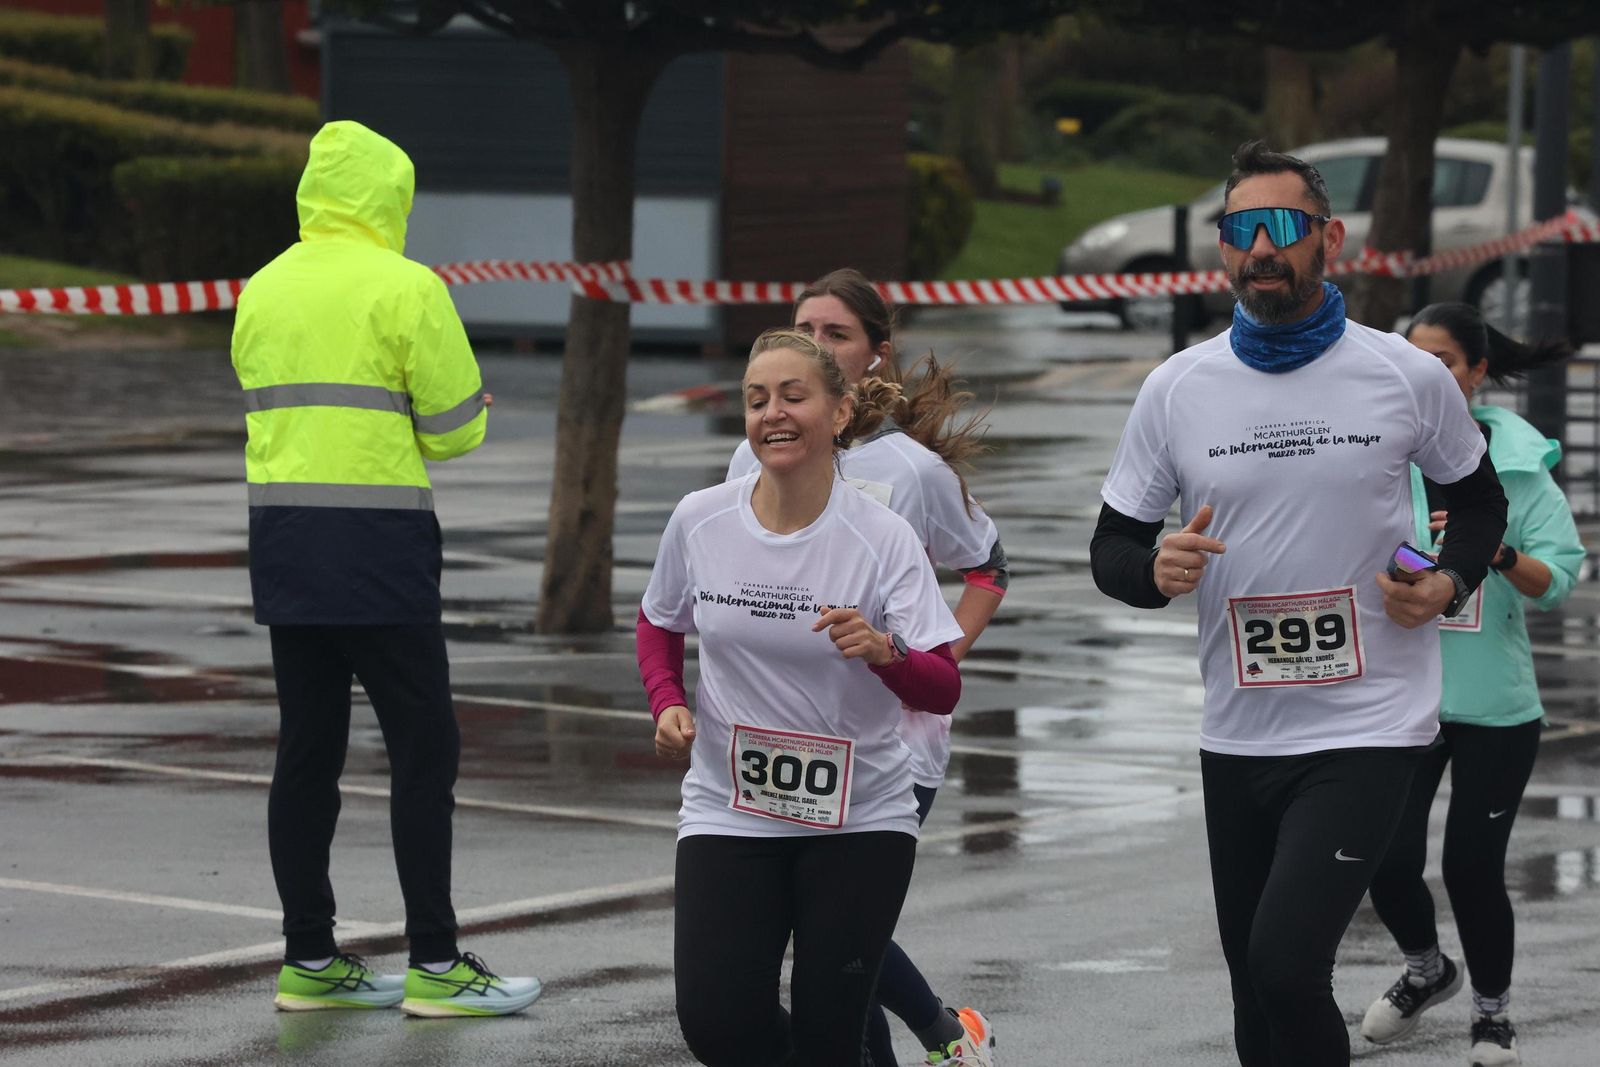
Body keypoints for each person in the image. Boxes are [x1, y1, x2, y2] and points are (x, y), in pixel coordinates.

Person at [1088, 141, 1508, 1067]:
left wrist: (1447, 580)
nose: (1261, 248)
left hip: (1369, 722)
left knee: (1286, 965)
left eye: (1283, 227)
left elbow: (1478, 502)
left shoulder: (1404, 373)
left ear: (1331, 240)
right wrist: (1153, 568)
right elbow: (1110, 547)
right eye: (1242, 230)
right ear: (1224, 249)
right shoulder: (1177, 388)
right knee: (1255, 1005)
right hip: (1238, 733)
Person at [233, 120, 539, 1017]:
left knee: (307, 749)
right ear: (388, 198)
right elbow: (452, 430)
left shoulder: (261, 288)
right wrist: (464, 407)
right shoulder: (409, 288)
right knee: (423, 748)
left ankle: (309, 958)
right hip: (379, 547)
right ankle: (437, 963)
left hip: (286, 541)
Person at [638, 328, 968, 1065]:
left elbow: (943, 685)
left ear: (841, 411)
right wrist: (667, 700)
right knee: (718, 1022)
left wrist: (886, 651)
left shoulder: (882, 538)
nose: (772, 414)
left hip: (859, 820)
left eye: (793, 396)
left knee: (830, 1033)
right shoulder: (701, 518)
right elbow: (659, 619)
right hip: (731, 807)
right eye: (757, 400)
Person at [725, 269, 1005, 1066]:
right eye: (803, 329)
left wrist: (930, 657)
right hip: (787, 738)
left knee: (835, 931)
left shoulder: (909, 469)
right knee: (829, 936)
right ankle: (947, 1034)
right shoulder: (745, 461)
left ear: (876, 356)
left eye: (836, 334)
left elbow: (989, 567)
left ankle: (945, 1036)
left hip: (891, 739)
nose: (816, 346)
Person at [1359, 303, 1582, 1067]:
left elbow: (1560, 581)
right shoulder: (1377, 453)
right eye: (1411, 359)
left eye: (1445, 361)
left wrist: (1494, 554)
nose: (1426, 376)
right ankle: (1428, 971)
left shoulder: (1518, 468)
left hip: (1494, 709)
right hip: (1401, 702)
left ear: (1477, 372)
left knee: (1471, 867)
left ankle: (1493, 1018)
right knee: (1382, 860)